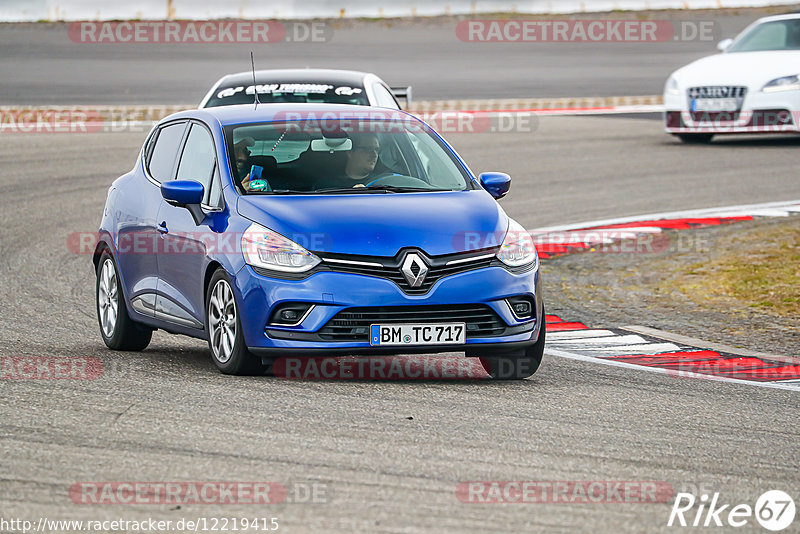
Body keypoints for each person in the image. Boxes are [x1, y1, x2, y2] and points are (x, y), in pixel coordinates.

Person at [314, 133, 385, 190]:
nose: (374, 155)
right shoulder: (326, 186)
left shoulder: (385, 183)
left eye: (376, 150)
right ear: (350, 152)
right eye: (368, 149)